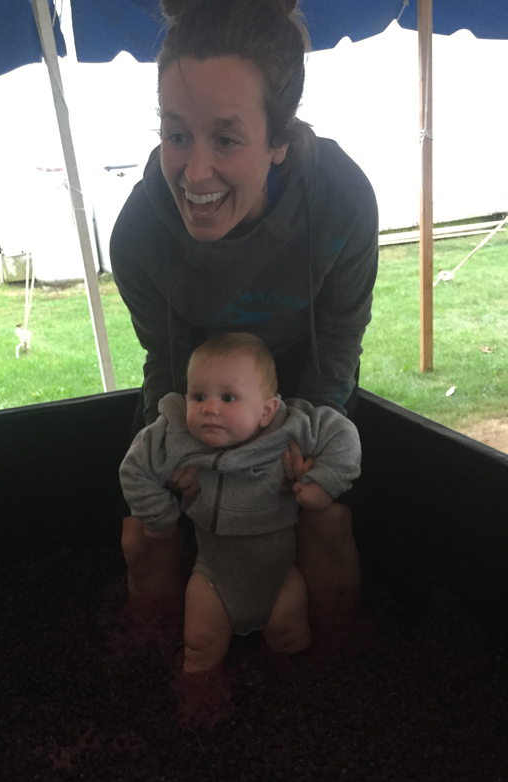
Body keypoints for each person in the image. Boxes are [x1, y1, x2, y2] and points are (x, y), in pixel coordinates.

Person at [110, 0, 378, 649]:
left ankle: (333, 665)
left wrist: (303, 445)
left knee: (326, 524)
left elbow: (339, 342)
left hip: (301, 397)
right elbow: (165, 358)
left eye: (226, 139)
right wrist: (178, 444)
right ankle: (153, 662)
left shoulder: (342, 200)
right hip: (196, 400)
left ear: (279, 139)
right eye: (176, 134)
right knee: (142, 535)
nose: (195, 172)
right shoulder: (137, 234)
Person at [120, 333, 362, 674]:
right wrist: (159, 517)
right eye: (198, 396)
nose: (210, 408)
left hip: (280, 576)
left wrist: (324, 482)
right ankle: (196, 697)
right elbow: (134, 469)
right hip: (213, 578)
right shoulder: (174, 435)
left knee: (291, 639)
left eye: (228, 397)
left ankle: (302, 686)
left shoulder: (290, 427)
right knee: (199, 648)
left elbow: (344, 435)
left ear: (266, 410)